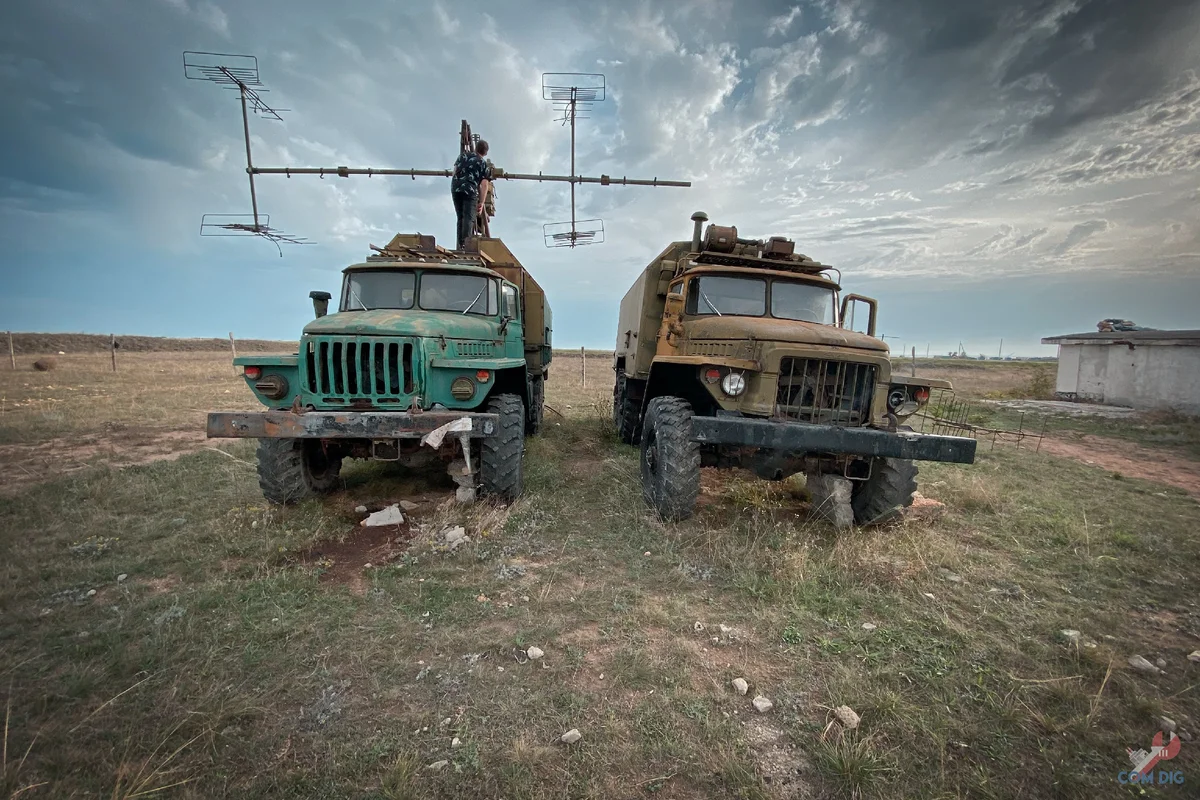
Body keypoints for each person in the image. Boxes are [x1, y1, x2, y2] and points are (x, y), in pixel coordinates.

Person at [451, 139, 492, 250]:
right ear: (485, 152)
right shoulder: (483, 164)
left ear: (476, 148)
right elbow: (484, 184)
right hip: (469, 189)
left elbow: (454, 172)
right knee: (469, 217)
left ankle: (460, 244)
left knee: (460, 217)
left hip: (455, 187)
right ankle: (466, 245)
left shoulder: (462, 156)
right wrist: (482, 202)